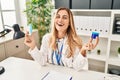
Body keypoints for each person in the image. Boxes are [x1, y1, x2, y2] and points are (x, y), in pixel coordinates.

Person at [24, 7, 99, 71]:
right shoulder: (47, 38)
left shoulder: (75, 40)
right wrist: (33, 46)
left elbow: (76, 67)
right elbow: (42, 61)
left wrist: (83, 51)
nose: (60, 20)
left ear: (70, 22)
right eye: (58, 16)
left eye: (65, 17)